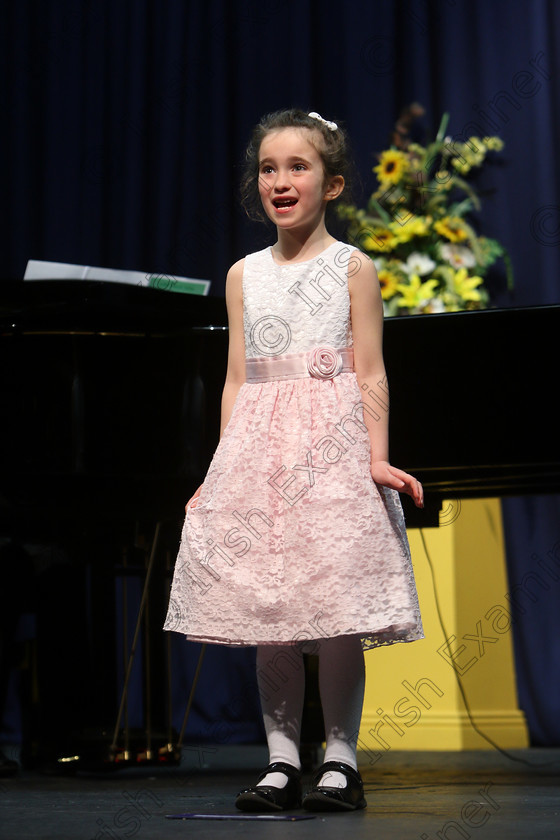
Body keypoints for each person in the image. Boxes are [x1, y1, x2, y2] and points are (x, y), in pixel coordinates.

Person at [164, 108, 424, 812]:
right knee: (271, 608)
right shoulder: (244, 274)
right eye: (268, 169)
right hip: (261, 450)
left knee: (334, 608)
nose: (280, 180)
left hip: (332, 446)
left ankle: (340, 760)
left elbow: (370, 373)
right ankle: (281, 761)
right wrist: (219, 473)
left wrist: (377, 459)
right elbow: (237, 379)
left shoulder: (352, 267)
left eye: (297, 167)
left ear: (332, 184)